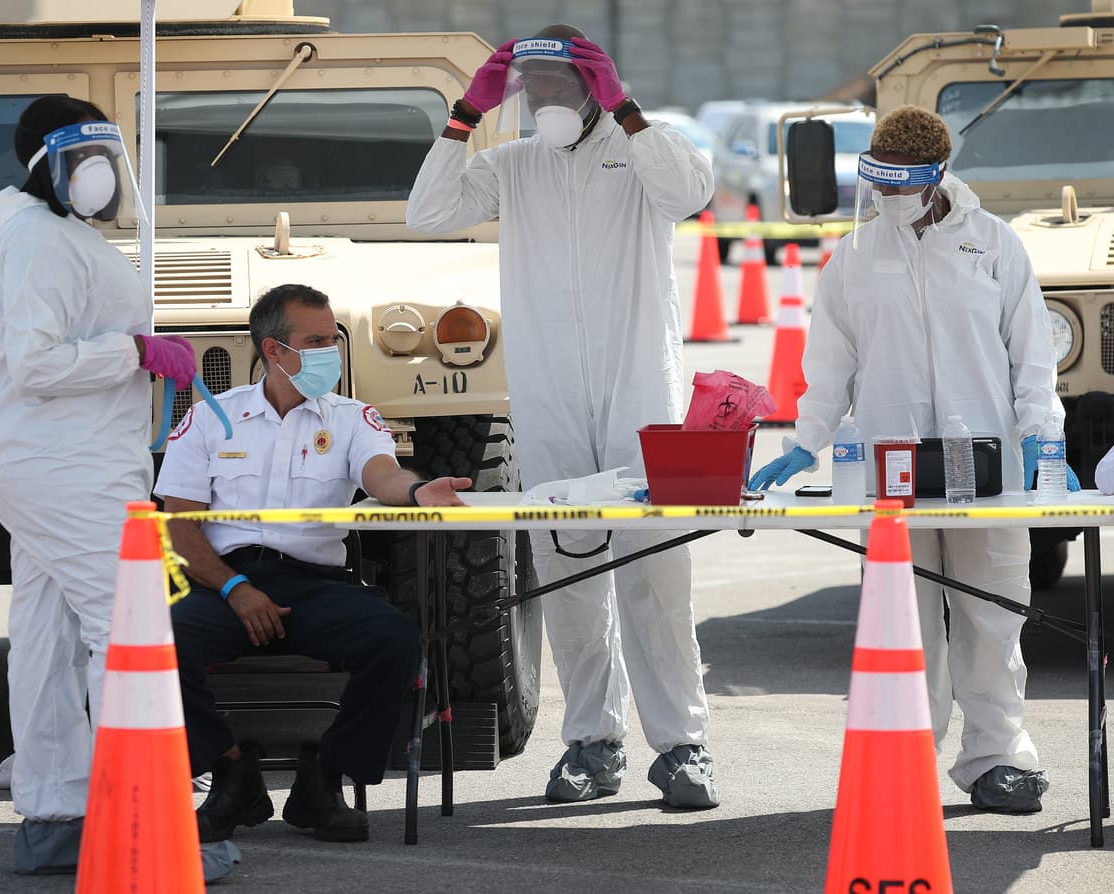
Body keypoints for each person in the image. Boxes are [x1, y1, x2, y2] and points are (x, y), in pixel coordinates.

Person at [406, 25, 720, 808]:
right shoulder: (510, 165)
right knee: (568, 568)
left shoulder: (647, 150)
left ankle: (683, 746)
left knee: (657, 570)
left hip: (640, 388)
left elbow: (689, 195)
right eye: (531, 87)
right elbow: (428, 211)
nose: (544, 98)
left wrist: (631, 111)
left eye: (559, 84)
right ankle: (591, 741)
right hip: (547, 392)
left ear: (592, 86)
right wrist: (460, 117)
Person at [749, 104, 1077, 813]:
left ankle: (997, 759)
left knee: (994, 616)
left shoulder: (993, 244)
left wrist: (1044, 439)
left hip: (985, 464)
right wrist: (806, 439)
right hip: (892, 469)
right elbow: (829, 364)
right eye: (879, 185)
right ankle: (903, 767)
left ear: (937, 179)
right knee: (907, 625)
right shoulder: (854, 257)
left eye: (904, 187)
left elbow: (1032, 358)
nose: (890, 200)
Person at [0, 95, 197, 872]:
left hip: (55, 455)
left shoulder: (55, 234)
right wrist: (134, 353)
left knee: (47, 632)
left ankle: (58, 814)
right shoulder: (37, 241)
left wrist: (134, 352)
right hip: (58, 458)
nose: (96, 174)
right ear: (44, 166)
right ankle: (139, 824)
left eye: (104, 156)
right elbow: (35, 365)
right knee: (125, 626)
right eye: (79, 159)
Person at [155, 283, 470, 843]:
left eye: (334, 339)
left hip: (316, 585)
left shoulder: (353, 418)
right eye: (317, 340)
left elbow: (382, 475)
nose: (332, 351)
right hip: (224, 585)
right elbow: (179, 526)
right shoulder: (209, 419)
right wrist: (235, 590)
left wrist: (418, 491)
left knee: (394, 640)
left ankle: (323, 780)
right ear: (274, 351)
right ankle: (231, 773)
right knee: (151, 643)